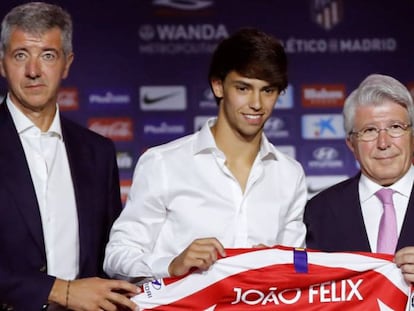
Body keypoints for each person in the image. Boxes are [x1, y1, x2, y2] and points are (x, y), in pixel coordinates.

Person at [104, 28, 307, 282]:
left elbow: (299, 265)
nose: (257, 103)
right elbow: (117, 256)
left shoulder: (289, 173)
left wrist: (278, 263)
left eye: (268, 90)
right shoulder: (163, 164)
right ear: (218, 85)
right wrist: (172, 264)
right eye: (243, 88)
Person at [0, 2, 139, 310]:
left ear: (67, 63)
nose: (34, 71)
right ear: (2, 63)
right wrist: (58, 291)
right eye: (21, 55)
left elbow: (112, 256)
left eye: (48, 55)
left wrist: (170, 267)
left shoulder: (98, 152)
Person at [304, 73, 414, 283]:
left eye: (395, 127)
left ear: (412, 135)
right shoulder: (318, 212)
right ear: (351, 144)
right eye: (369, 130)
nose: (384, 142)